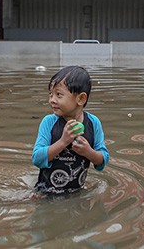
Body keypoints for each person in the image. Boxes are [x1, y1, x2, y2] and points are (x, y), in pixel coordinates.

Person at [32, 66, 110, 195]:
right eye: (50, 94)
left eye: (58, 95)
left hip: (76, 193)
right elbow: (37, 158)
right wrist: (63, 141)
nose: (52, 100)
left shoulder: (93, 123)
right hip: (45, 192)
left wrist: (88, 152)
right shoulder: (49, 122)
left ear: (81, 99)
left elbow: (102, 160)